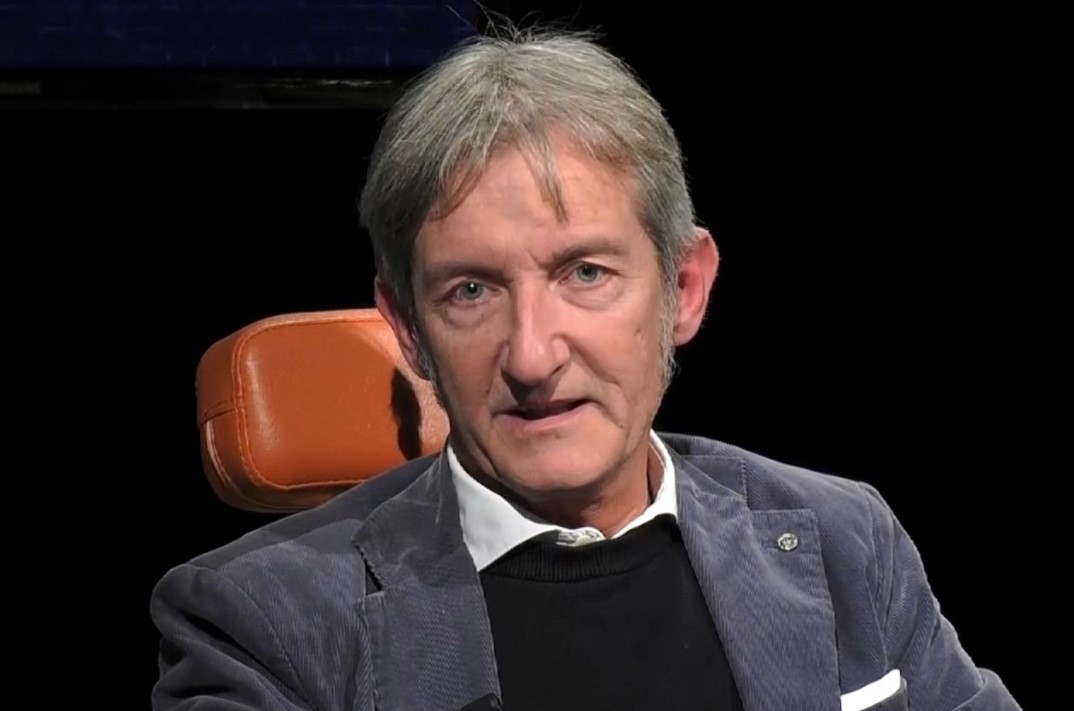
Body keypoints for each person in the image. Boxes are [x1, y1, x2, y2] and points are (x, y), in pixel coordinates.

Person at [151, 28, 1021, 711]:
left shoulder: (842, 538)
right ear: (408, 329)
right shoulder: (259, 623)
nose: (533, 355)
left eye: (585, 274)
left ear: (683, 289)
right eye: (470, 290)